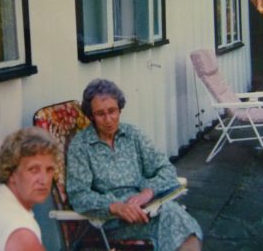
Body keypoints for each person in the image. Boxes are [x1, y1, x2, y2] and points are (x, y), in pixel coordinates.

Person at [66, 78, 203, 251]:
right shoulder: (81, 146)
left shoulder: (132, 135)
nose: (108, 119)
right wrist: (115, 207)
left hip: (146, 209)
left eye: (112, 111)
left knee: (176, 218)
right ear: (91, 115)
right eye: (100, 114)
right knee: (177, 221)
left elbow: (166, 169)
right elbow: (79, 195)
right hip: (111, 221)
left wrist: (148, 192)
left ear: (120, 109)